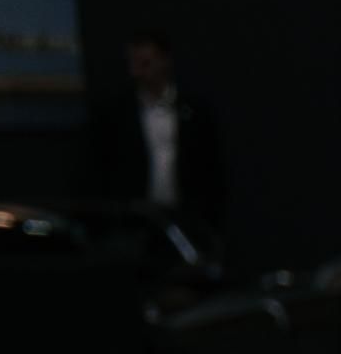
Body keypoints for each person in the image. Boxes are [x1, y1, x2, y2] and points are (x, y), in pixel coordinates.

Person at [79, 36, 233, 230]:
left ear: (164, 60)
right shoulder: (117, 113)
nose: (137, 72)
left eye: (145, 63)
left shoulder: (193, 110)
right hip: (135, 220)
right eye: (133, 64)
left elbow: (210, 167)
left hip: (188, 217)